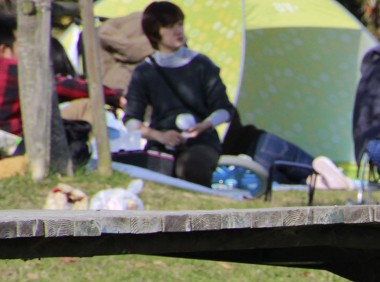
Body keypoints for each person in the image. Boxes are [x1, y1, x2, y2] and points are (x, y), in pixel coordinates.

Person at [122, 1, 232, 186]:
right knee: (153, 175)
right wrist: (158, 136)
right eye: (169, 26)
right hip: (161, 143)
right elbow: (132, 119)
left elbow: (225, 110)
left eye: (179, 24)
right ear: (154, 32)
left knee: (193, 168)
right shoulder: (145, 71)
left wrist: (204, 126)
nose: (178, 31)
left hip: (201, 142)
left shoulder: (201, 64)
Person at [0, 16, 121, 158]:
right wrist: (113, 94)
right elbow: (64, 86)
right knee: (88, 105)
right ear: (5, 50)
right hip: (17, 148)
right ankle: (79, 158)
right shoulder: (12, 70)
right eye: (23, 46)